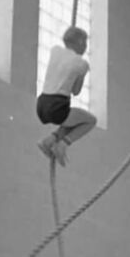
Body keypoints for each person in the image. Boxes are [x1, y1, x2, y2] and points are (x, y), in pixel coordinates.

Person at [36, 26, 96, 167]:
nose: (86, 47)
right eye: (85, 43)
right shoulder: (82, 64)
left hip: (41, 105)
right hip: (57, 107)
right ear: (80, 42)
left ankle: (49, 141)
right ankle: (62, 145)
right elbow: (76, 91)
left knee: (71, 119)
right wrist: (82, 74)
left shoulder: (55, 51)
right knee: (90, 121)